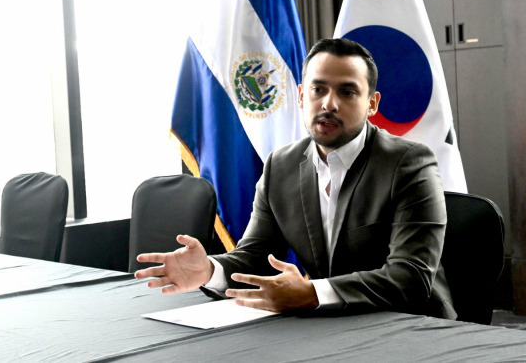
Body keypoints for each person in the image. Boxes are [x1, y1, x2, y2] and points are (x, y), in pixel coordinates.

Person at [135, 38, 457, 319]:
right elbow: (253, 257)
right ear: (302, 96)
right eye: (318, 89)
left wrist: (312, 293)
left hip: (413, 327)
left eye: (347, 92)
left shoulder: (410, 164)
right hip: (328, 328)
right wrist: (209, 270)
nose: (329, 104)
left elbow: (410, 278)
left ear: (372, 104)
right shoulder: (280, 166)